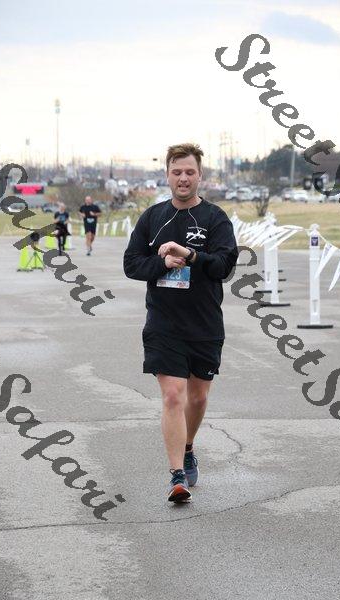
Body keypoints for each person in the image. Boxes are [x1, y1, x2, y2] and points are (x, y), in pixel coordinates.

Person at [123, 143, 239, 503]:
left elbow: (225, 266)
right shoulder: (152, 217)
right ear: (167, 176)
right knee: (173, 394)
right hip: (164, 323)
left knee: (198, 397)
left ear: (200, 175)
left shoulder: (215, 219)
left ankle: (188, 447)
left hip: (204, 323)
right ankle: (177, 476)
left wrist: (189, 255)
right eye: (177, 172)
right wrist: (162, 264)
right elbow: (131, 264)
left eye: (190, 172)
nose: (183, 178)